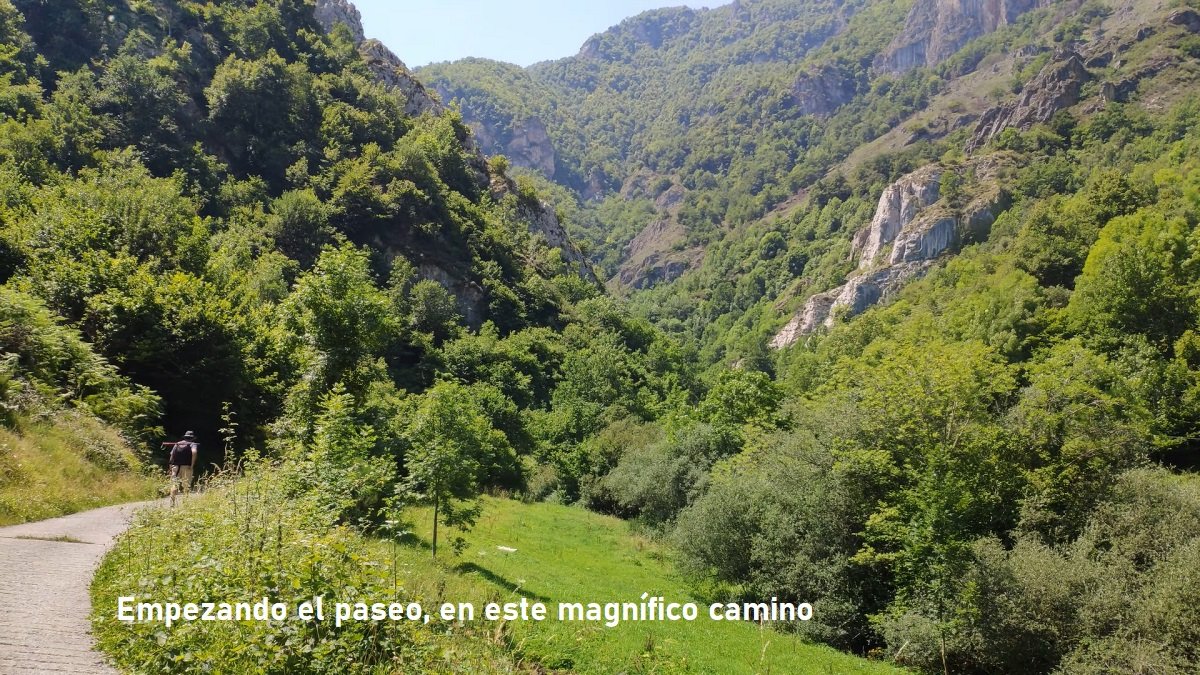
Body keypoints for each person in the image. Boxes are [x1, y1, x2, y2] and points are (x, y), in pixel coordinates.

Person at [168, 431, 198, 506]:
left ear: (185, 437)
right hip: (186, 467)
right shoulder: (193, 444)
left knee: (174, 484)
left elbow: (172, 455)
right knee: (186, 485)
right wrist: (192, 465)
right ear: (192, 438)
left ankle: (172, 503)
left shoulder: (177, 443)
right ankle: (185, 503)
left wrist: (170, 465)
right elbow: (194, 452)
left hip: (175, 467)